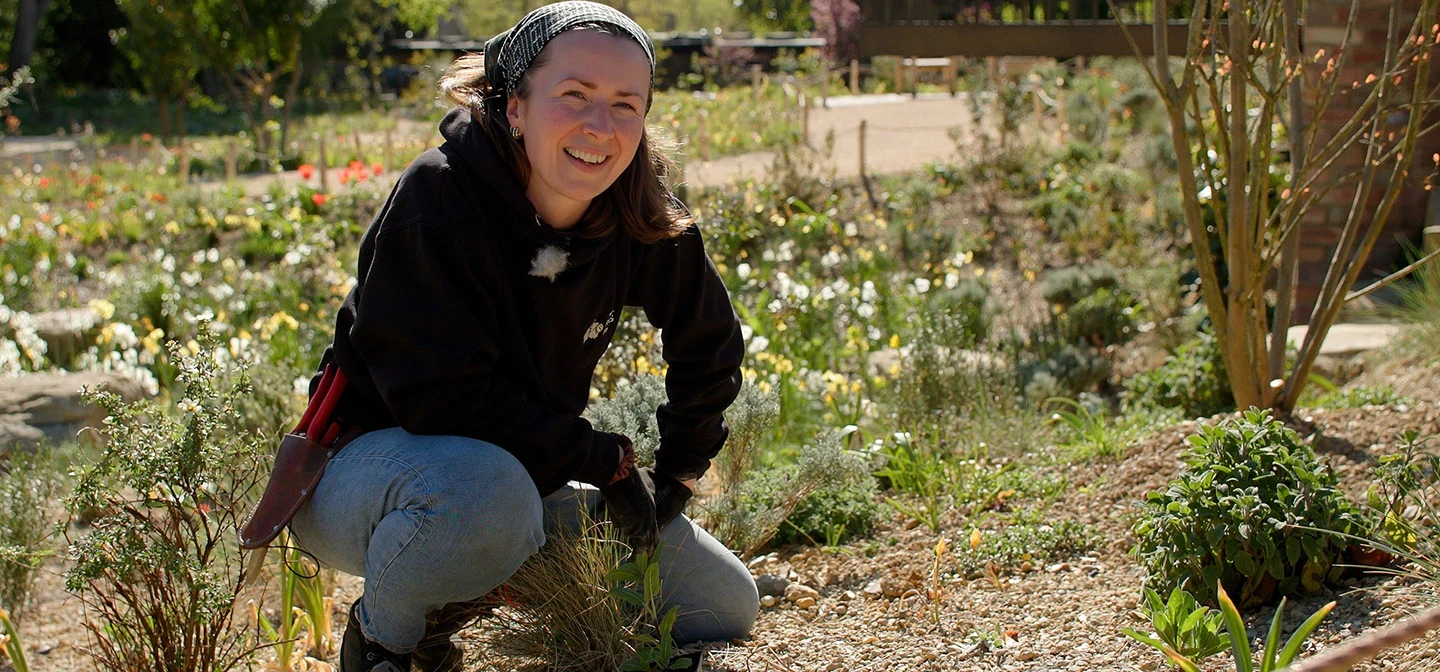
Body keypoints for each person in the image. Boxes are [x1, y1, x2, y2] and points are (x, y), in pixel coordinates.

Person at [286, 3, 757, 670]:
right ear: (514, 106)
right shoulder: (441, 196)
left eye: (627, 104)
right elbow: (439, 399)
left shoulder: (636, 208)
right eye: (574, 95)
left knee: (720, 604)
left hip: (518, 479)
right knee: (486, 500)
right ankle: (389, 638)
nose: (601, 127)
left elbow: (708, 340)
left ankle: (473, 578)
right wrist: (601, 460)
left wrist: (674, 475)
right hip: (370, 476)